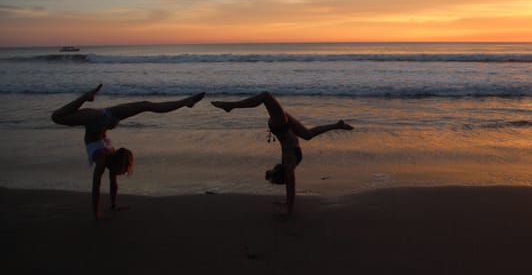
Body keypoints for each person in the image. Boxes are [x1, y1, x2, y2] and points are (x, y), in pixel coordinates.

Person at [51, 84, 205, 219]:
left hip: (103, 119)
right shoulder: (107, 158)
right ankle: (186, 102)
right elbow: (102, 188)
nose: (121, 173)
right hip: (100, 119)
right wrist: (104, 210)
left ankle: (186, 102)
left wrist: (104, 211)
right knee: (56, 116)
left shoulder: (110, 156)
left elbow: (100, 189)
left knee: (145, 105)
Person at [211, 92, 353, 215]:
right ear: (281, 174)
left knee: (306, 133)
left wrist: (286, 201)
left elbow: (288, 185)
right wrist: (288, 208)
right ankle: (231, 106)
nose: (274, 167)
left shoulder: (289, 162)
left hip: (283, 128)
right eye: (274, 170)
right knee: (266, 97)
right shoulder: (289, 164)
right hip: (281, 127)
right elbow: (291, 186)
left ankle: (337, 125)